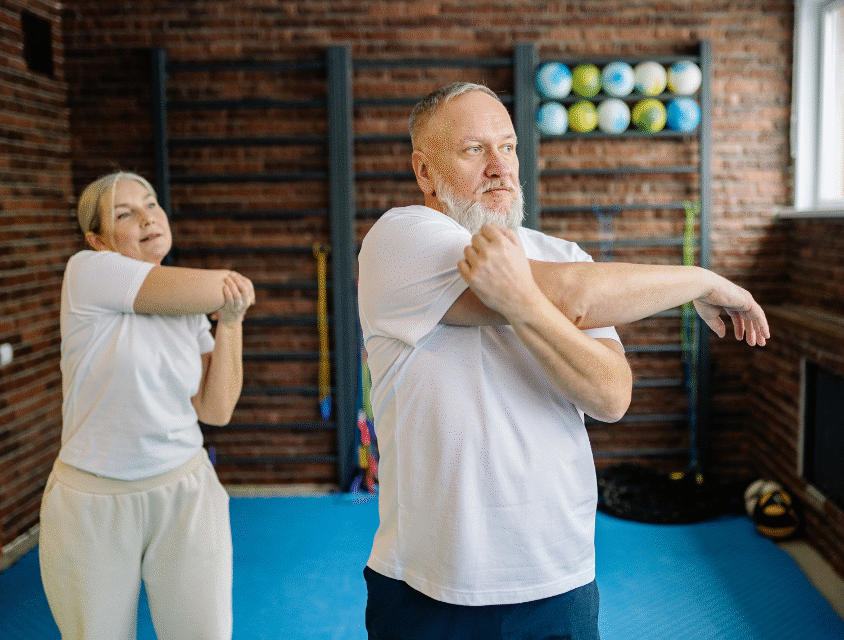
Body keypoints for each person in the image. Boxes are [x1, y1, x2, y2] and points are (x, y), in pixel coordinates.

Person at [357, 82, 769, 639]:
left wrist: (522, 302)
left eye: (507, 147)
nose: (499, 167)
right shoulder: (403, 240)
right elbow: (574, 297)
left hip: (558, 578)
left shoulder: (564, 255)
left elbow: (609, 396)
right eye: (474, 150)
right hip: (430, 584)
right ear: (426, 172)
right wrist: (701, 280)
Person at [38, 171, 255, 640]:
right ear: (97, 239)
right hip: (93, 502)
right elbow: (226, 286)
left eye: (152, 204)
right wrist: (232, 294)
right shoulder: (87, 272)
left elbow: (215, 410)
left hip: (185, 491)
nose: (146, 217)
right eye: (124, 213)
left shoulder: (187, 307)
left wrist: (231, 324)